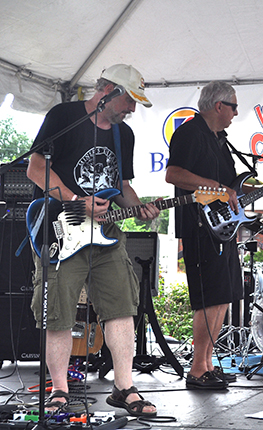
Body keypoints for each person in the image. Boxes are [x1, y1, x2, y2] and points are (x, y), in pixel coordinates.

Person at [27, 64, 159, 416]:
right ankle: (59, 390)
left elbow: (123, 186)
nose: (132, 109)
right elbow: (35, 167)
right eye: (129, 101)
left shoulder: (123, 135)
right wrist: (74, 199)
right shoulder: (63, 116)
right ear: (108, 92)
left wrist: (140, 208)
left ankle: (125, 387)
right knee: (58, 312)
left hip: (106, 233)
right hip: (61, 227)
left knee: (121, 306)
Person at [165, 81, 263, 390]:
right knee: (208, 298)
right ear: (218, 106)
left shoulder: (220, 140)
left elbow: (231, 186)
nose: (235, 112)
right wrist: (213, 186)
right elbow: (174, 174)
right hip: (199, 225)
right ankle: (196, 368)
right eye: (233, 106)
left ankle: (206, 364)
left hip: (222, 228)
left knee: (221, 296)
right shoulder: (189, 133)